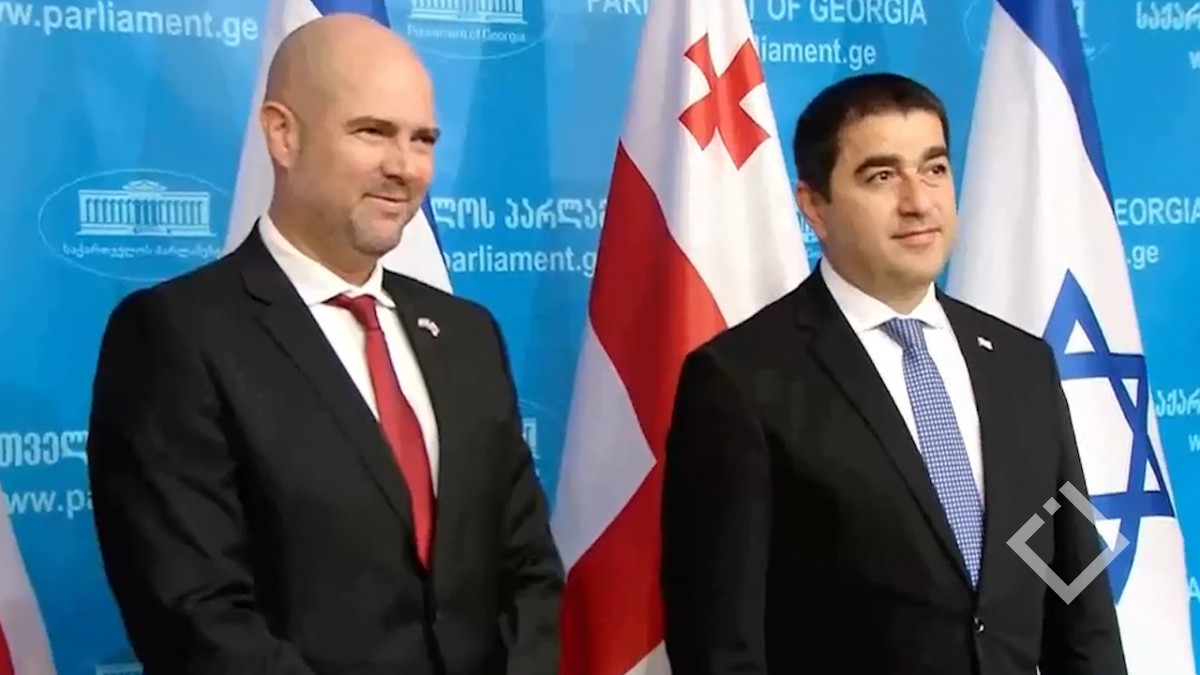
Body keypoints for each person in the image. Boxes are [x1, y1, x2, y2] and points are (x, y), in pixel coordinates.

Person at [85, 14, 562, 675]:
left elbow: (530, 570)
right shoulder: (176, 336)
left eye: (422, 139)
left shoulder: (467, 335)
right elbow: (194, 614)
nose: (403, 167)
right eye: (372, 132)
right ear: (283, 134)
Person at [659, 72, 1127, 675]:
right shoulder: (740, 381)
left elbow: (1079, 602)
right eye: (882, 176)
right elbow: (721, 647)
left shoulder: (1021, 364)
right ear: (815, 206)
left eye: (934, 169)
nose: (919, 202)